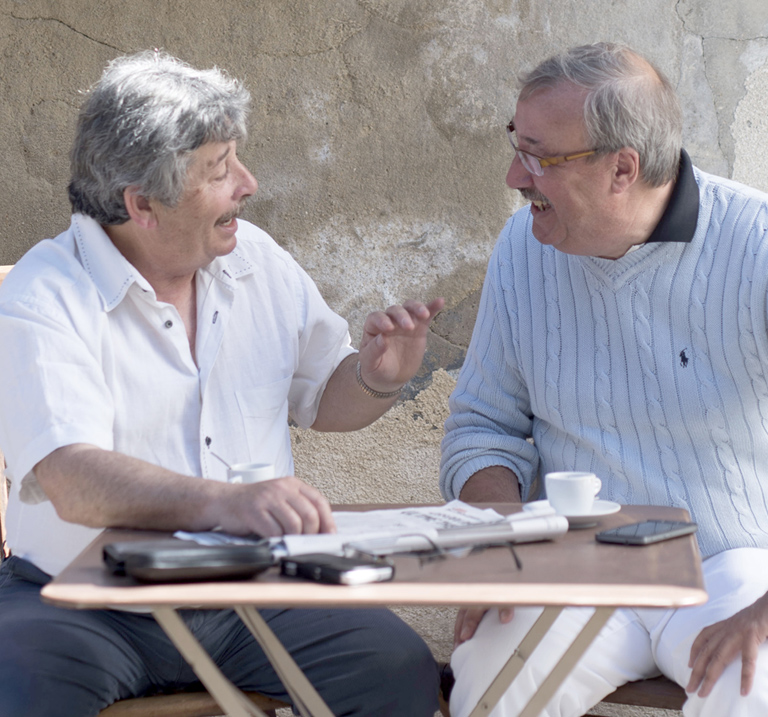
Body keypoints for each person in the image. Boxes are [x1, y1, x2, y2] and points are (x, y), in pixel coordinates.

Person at [0, 51, 443, 717]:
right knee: (22, 685)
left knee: (396, 670)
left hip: (254, 595)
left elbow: (324, 399)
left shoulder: (258, 260)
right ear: (142, 203)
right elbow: (72, 477)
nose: (249, 182)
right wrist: (229, 503)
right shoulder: (46, 293)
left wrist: (377, 377)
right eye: (220, 169)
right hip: (80, 601)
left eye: (238, 158)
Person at [440, 41, 768, 717]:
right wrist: (498, 536)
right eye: (515, 143)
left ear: (623, 168)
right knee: (490, 683)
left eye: (539, 156)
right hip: (575, 563)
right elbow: (483, 427)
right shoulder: (521, 249)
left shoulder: (757, 245)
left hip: (737, 563)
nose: (513, 175)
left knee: (753, 685)